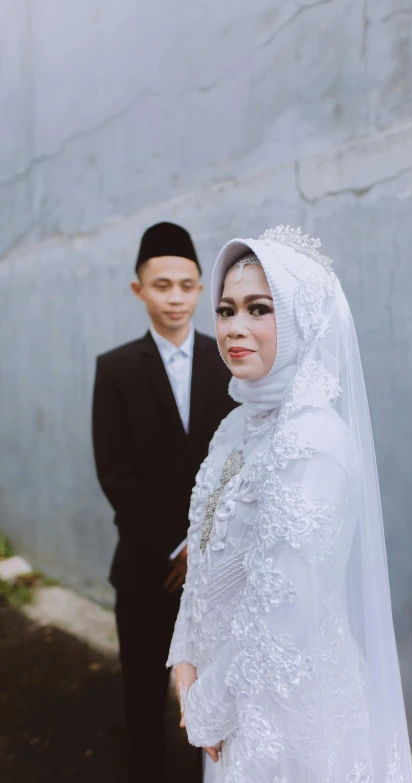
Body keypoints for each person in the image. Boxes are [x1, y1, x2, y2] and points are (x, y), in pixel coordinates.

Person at [167, 226, 412, 783]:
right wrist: (185, 655)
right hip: (228, 698)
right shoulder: (235, 427)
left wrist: (204, 707)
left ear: (305, 320)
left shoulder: (314, 443)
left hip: (289, 719)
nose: (235, 328)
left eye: (260, 309)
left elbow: (282, 611)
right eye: (227, 310)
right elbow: (204, 554)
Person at [92, 222, 236, 783]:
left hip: (219, 566)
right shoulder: (116, 369)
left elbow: (238, 463)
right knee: (142, 699)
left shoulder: (227, 357)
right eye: (161, 285)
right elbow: (115, 472)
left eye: (186, 285)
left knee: (219, 697)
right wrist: (176, 545)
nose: (175, 297)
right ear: (139, 291)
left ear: (202, 289)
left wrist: (202, 546)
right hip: (145, 568)